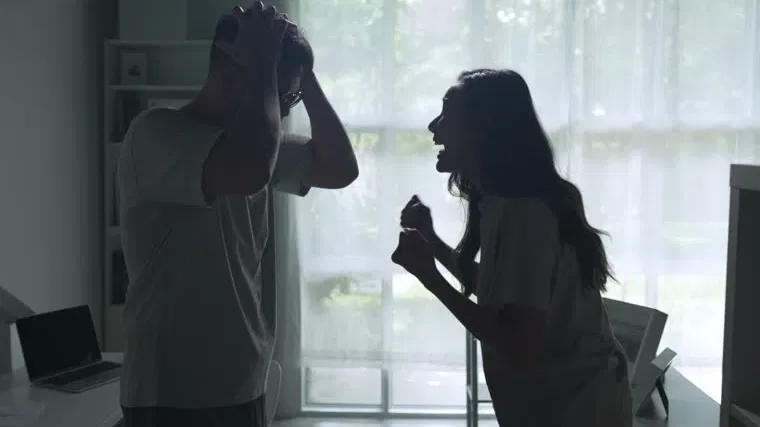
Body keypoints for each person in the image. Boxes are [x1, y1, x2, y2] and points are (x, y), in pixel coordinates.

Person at [116, 2, 358, 426]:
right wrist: (265, 63)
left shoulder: (257, 145)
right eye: (283, 96)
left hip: (243, 378)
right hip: (170, 388)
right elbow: (248, 170)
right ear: (233, 72)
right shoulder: (155, 133)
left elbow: (340, 168)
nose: (285, 110)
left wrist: (303, 72)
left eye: (291, 98)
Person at [391, 69, 632, 426]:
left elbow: (519, 343)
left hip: (577, 410)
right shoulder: (504, 203)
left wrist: (430, 278)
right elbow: (503, 294)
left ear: (484, 130)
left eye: (446, 113)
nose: (433, 126)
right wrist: (433, 244)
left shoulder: (525, 214)